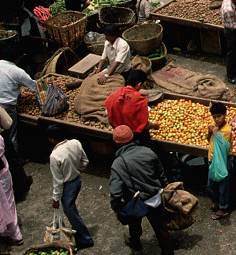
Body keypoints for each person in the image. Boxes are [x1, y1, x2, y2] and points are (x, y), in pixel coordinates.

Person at [109, 125, 174, 255]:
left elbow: (115, 192)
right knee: (161, 228)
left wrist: (116, 208)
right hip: (154, 198)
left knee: (134, 224)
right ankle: (168, 251)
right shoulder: (147, 151)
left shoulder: (118, 163)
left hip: (135, 201)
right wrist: (167, 190)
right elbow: (161, 174)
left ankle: (135, 242)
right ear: (132, 138)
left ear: (116, 143)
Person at [46, 124, 94, 250]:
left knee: (70, 211)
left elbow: (58, 182)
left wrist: (55, 199)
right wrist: (75, 170)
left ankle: (86, 239)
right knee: (71, 209)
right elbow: (85, 162)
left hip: (68, 186)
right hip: (77, 180)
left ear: (51, 139)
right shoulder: (75, 143)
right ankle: (77, 231)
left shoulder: (54, 156)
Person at [0, 46, 37, 152]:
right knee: (11, 135)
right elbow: (35, 87)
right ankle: (15, 161)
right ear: (17, 59)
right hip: (6, 106)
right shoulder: (17, 71)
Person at [104, 70, 158, 136]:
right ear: (139, 84)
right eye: (142, 85)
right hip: (134, 135)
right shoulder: (140, 99)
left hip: (118, 132)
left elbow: (109, 116)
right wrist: (154, 125)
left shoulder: (112, 96)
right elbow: (143, 126)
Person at [206, 102, 234, 220]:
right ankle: (218, 201)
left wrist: (216, 134)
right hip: (212, 159)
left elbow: (223, 148)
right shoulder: (214, 125)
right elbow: (208, 139)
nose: (216, 119)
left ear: (225, 115)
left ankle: (223, 207)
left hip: (224, 160)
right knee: (211, 184)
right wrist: (210, 132)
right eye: (214, 117)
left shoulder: (227, 130)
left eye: (219, 116)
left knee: (223, 185)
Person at [0, 112, 22, 246]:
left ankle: (12, 233)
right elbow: (8, 123)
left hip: (2, 173)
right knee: (7, 202)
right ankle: (12, 232)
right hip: (3, 173)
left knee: (5, 204)